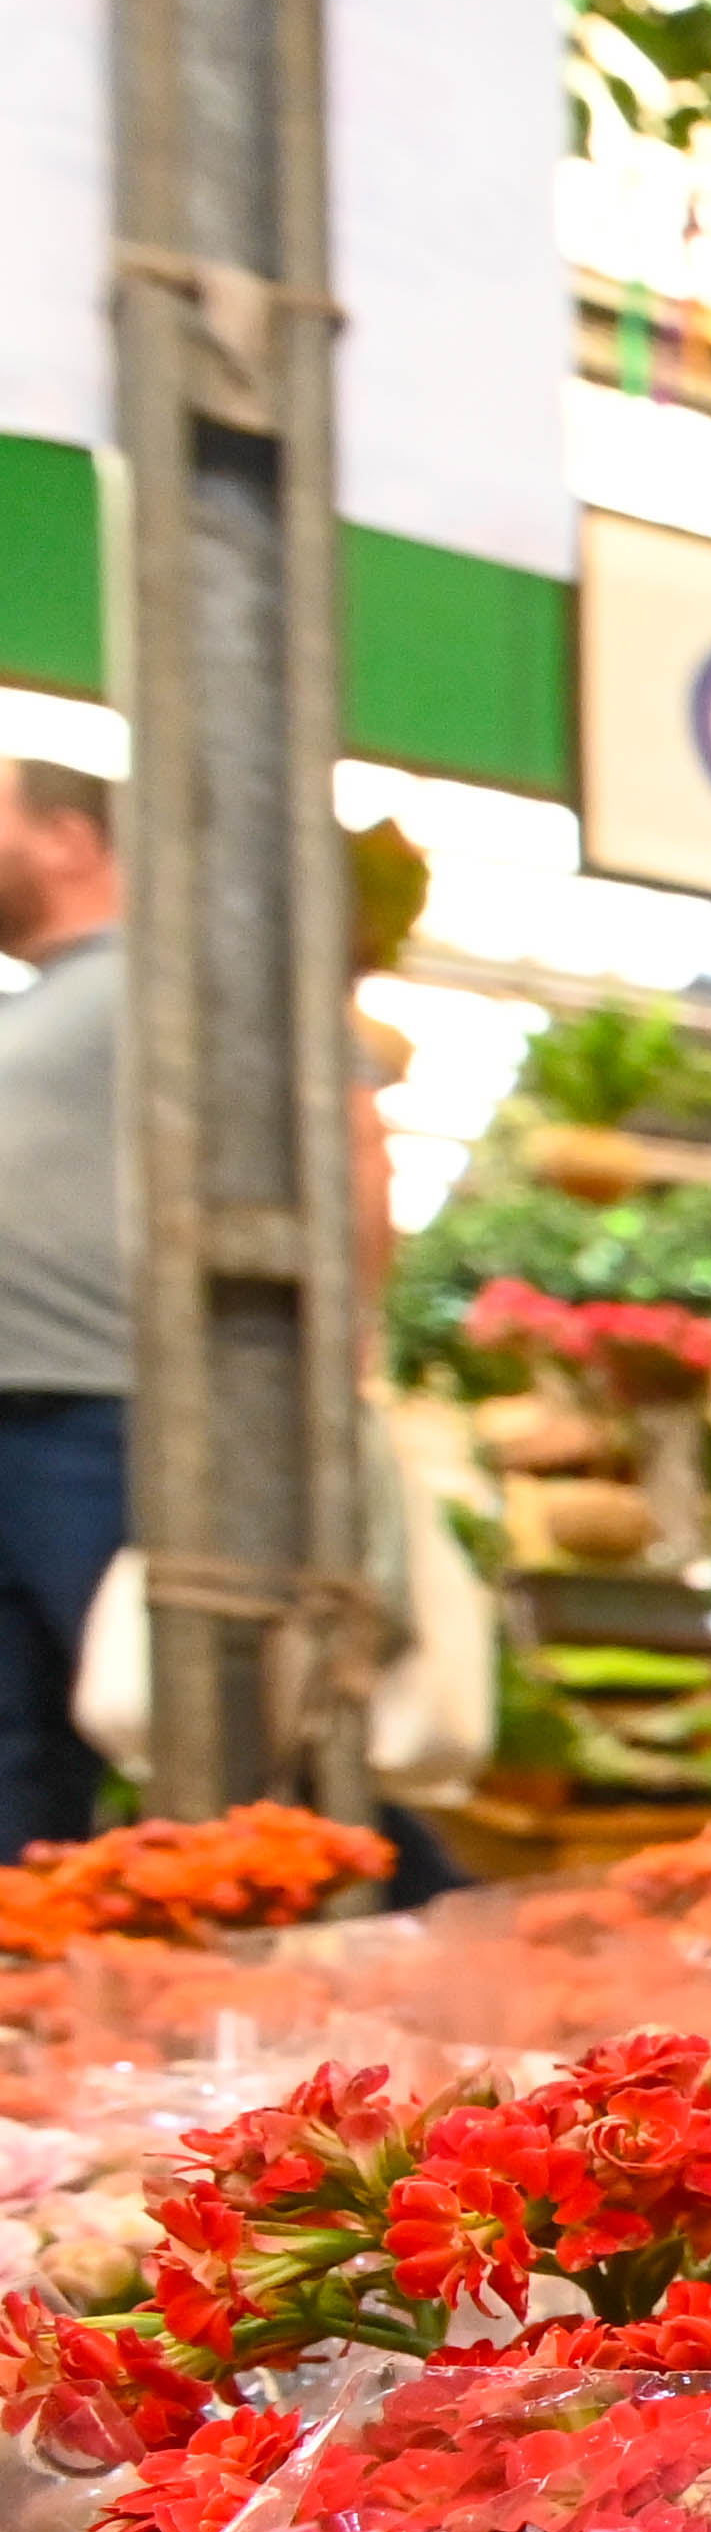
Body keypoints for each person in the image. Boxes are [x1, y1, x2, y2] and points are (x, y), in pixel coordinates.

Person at [0, 764, 124, 1851]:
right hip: (20, 1410)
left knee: (173, 1708)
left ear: (68, 837)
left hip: (102, 1411)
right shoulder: (33, 1001)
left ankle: (409, 1906)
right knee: (18, 1743)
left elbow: (349, 1135)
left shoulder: (157, 976)